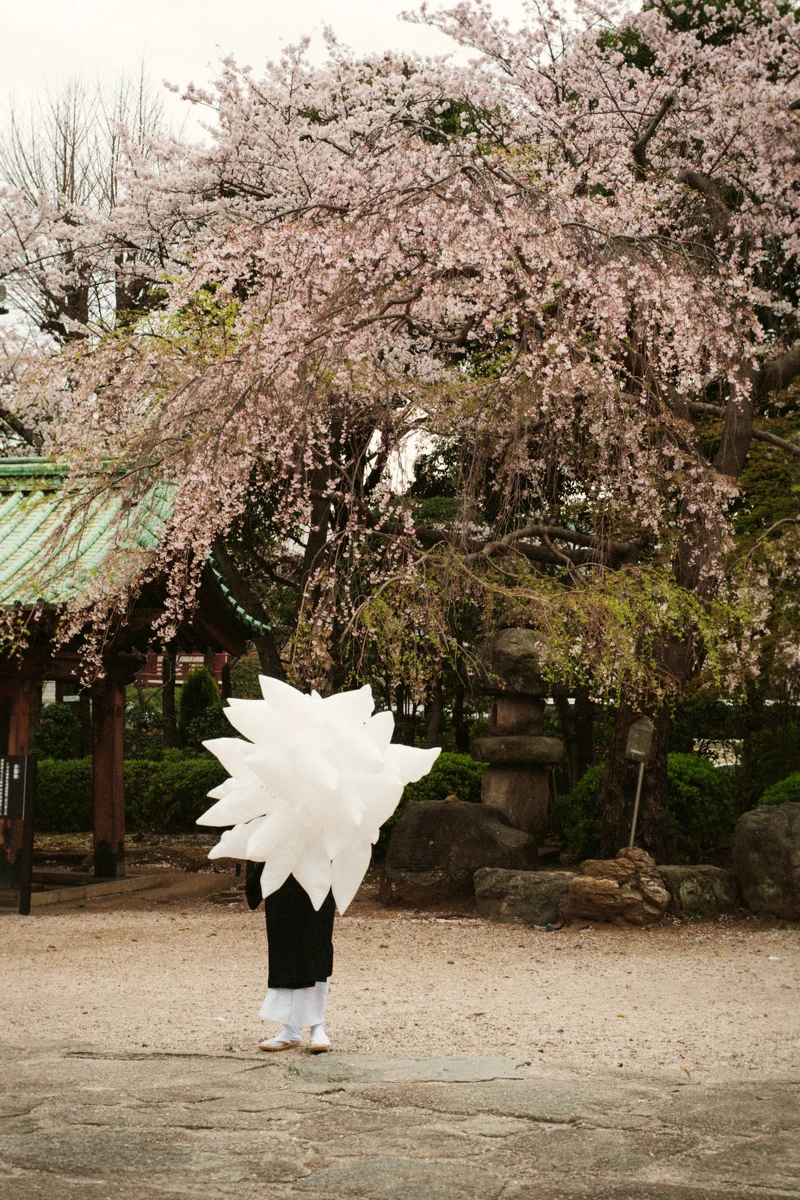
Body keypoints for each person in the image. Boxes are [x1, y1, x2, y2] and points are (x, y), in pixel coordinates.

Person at [246, 861, 334, 1053]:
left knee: (316, 945)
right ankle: (290, 1028)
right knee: (284, 946)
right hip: (282, 870)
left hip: (318, 865)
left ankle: (317, 1025)